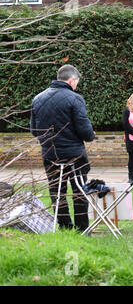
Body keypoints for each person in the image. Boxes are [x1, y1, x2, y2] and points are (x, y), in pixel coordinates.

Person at [30, 64, 95, 232]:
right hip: (74, 154)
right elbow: (85, 131)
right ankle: (82, 228)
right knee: (79, 190)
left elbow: (34, 130)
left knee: (57, 191)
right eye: (77, 82)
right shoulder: (75, 98)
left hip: (50, 153)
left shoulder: (38, 98)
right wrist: (91, 135)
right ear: (72, 80)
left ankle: (64, 226)